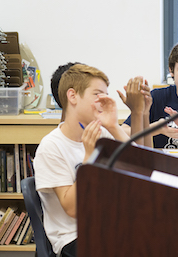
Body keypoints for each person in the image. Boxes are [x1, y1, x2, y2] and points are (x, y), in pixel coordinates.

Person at [34, 64, 146, 257]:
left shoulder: (103, 133)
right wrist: (89, 160)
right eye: (97, 94)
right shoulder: (51, 146)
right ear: (73, 96)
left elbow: (142, 169)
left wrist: (113, 126)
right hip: (74, 238)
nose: (103, 100)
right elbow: (72, 209)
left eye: (105, 94)